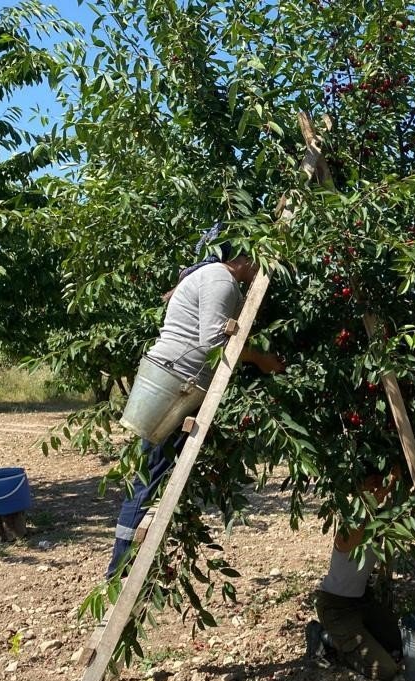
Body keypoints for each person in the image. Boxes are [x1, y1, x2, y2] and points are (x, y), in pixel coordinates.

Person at [105, 223, 284, 578]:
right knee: (150, 475)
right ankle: (119, 569)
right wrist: (263, 360)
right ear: (241, 256)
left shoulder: (209, 276)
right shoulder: (221, 278)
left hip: (169, 377)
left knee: (152, 472)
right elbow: (214, 341)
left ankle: (124, 562)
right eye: (256, 257)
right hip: (175, 382)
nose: (260, 268)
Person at [308, 472, 403, 681]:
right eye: (370, 486)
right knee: (385, 670)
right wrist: (373, 500)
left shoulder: (380, 517)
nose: (376, 489)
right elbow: (357, 533)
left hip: (363, 602)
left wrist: (394, 482)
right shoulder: (349, 525)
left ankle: (354, 636)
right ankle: (326, 637)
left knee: (402, 642)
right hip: (336, 608)